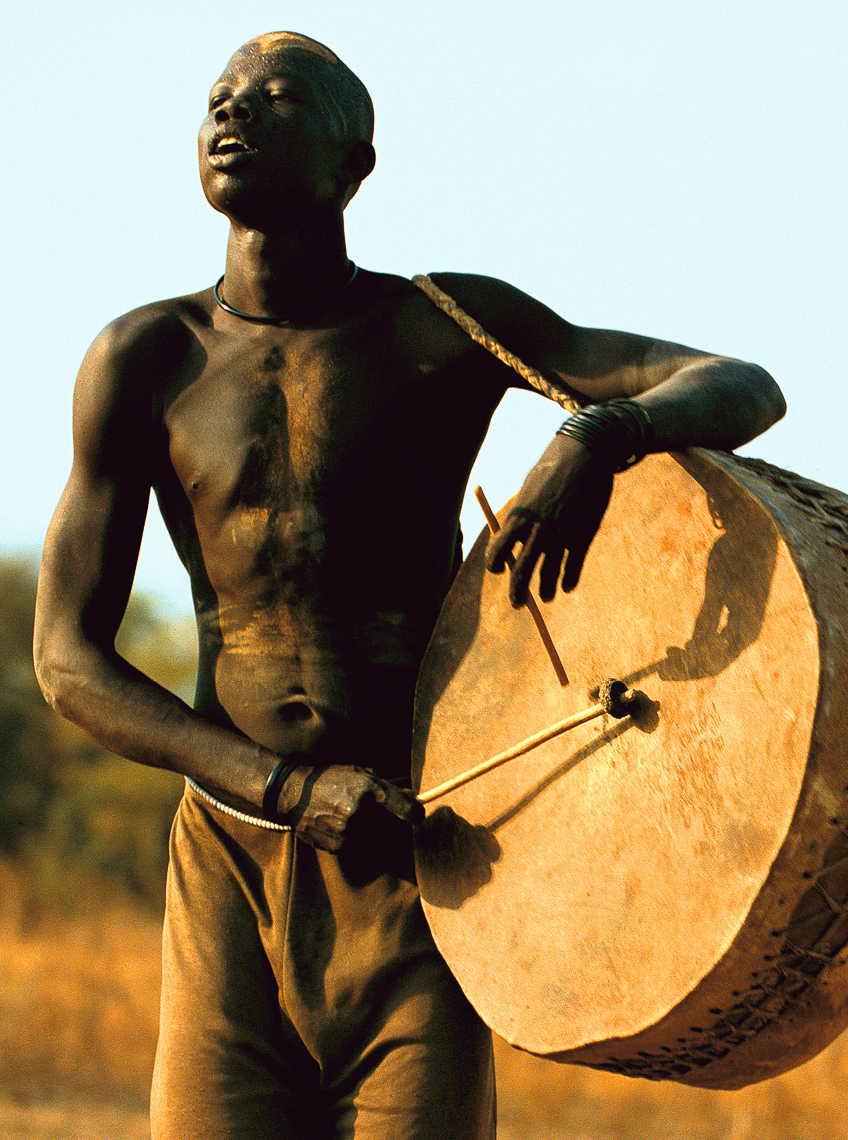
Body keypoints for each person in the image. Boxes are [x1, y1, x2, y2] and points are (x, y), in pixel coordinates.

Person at [33, 30, 785, 1140]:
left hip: (425, 864)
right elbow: (66, 661)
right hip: (232, 861)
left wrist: (601, 432)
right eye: (217, 99)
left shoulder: (442, 328)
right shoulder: (146, 356)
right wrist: (283, 792)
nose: (232, 114)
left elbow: (740, 385)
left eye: (276, 99)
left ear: (355, 166)